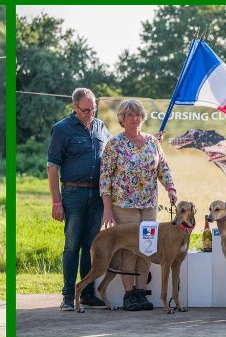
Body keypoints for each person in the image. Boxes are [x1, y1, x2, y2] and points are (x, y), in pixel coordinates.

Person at [98, 99, 177, 311]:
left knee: (148, 248)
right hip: (123, 206)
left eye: (138, 115)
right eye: (129, 115)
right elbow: (105, 178)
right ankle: (129, 294)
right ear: (122, 119)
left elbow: (164, 169)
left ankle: (142, 292)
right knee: (128, 249)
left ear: (143, 117)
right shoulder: (114, 145)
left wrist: (171, 189)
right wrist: (107, 208)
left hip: (149, 204)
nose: (134, 119)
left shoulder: (153, 142)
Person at [48, 87, 111, 311]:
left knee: (91, 245)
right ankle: (67, 295)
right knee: (72, 244)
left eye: (93, 109)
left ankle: (86, 293)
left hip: (97, 194)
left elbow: (116, 151)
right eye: (85, 110)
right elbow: (52, 167)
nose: (90, 114)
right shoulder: (61, 130)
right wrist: (56, 202)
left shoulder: (101, 127)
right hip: (73, 193)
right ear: (74, 107)